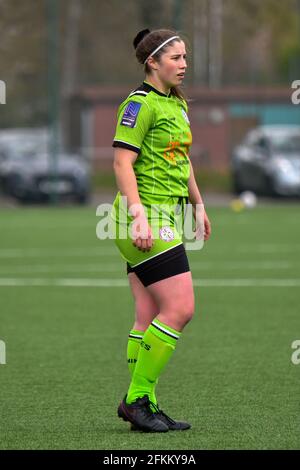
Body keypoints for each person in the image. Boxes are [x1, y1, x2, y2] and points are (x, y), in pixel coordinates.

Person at [110, 28, 211, 433]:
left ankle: (146, 403)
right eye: (175, 58)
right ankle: (136, 399)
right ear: (153, 62)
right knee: (181, 308)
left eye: (186, 57)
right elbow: (121, 163)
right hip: (142, 217)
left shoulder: (177, 105)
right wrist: (138, 216)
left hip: (164, 216)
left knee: (148, 314)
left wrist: (198, 205)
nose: (183, 65)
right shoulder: (139, 104)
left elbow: (182, 161)